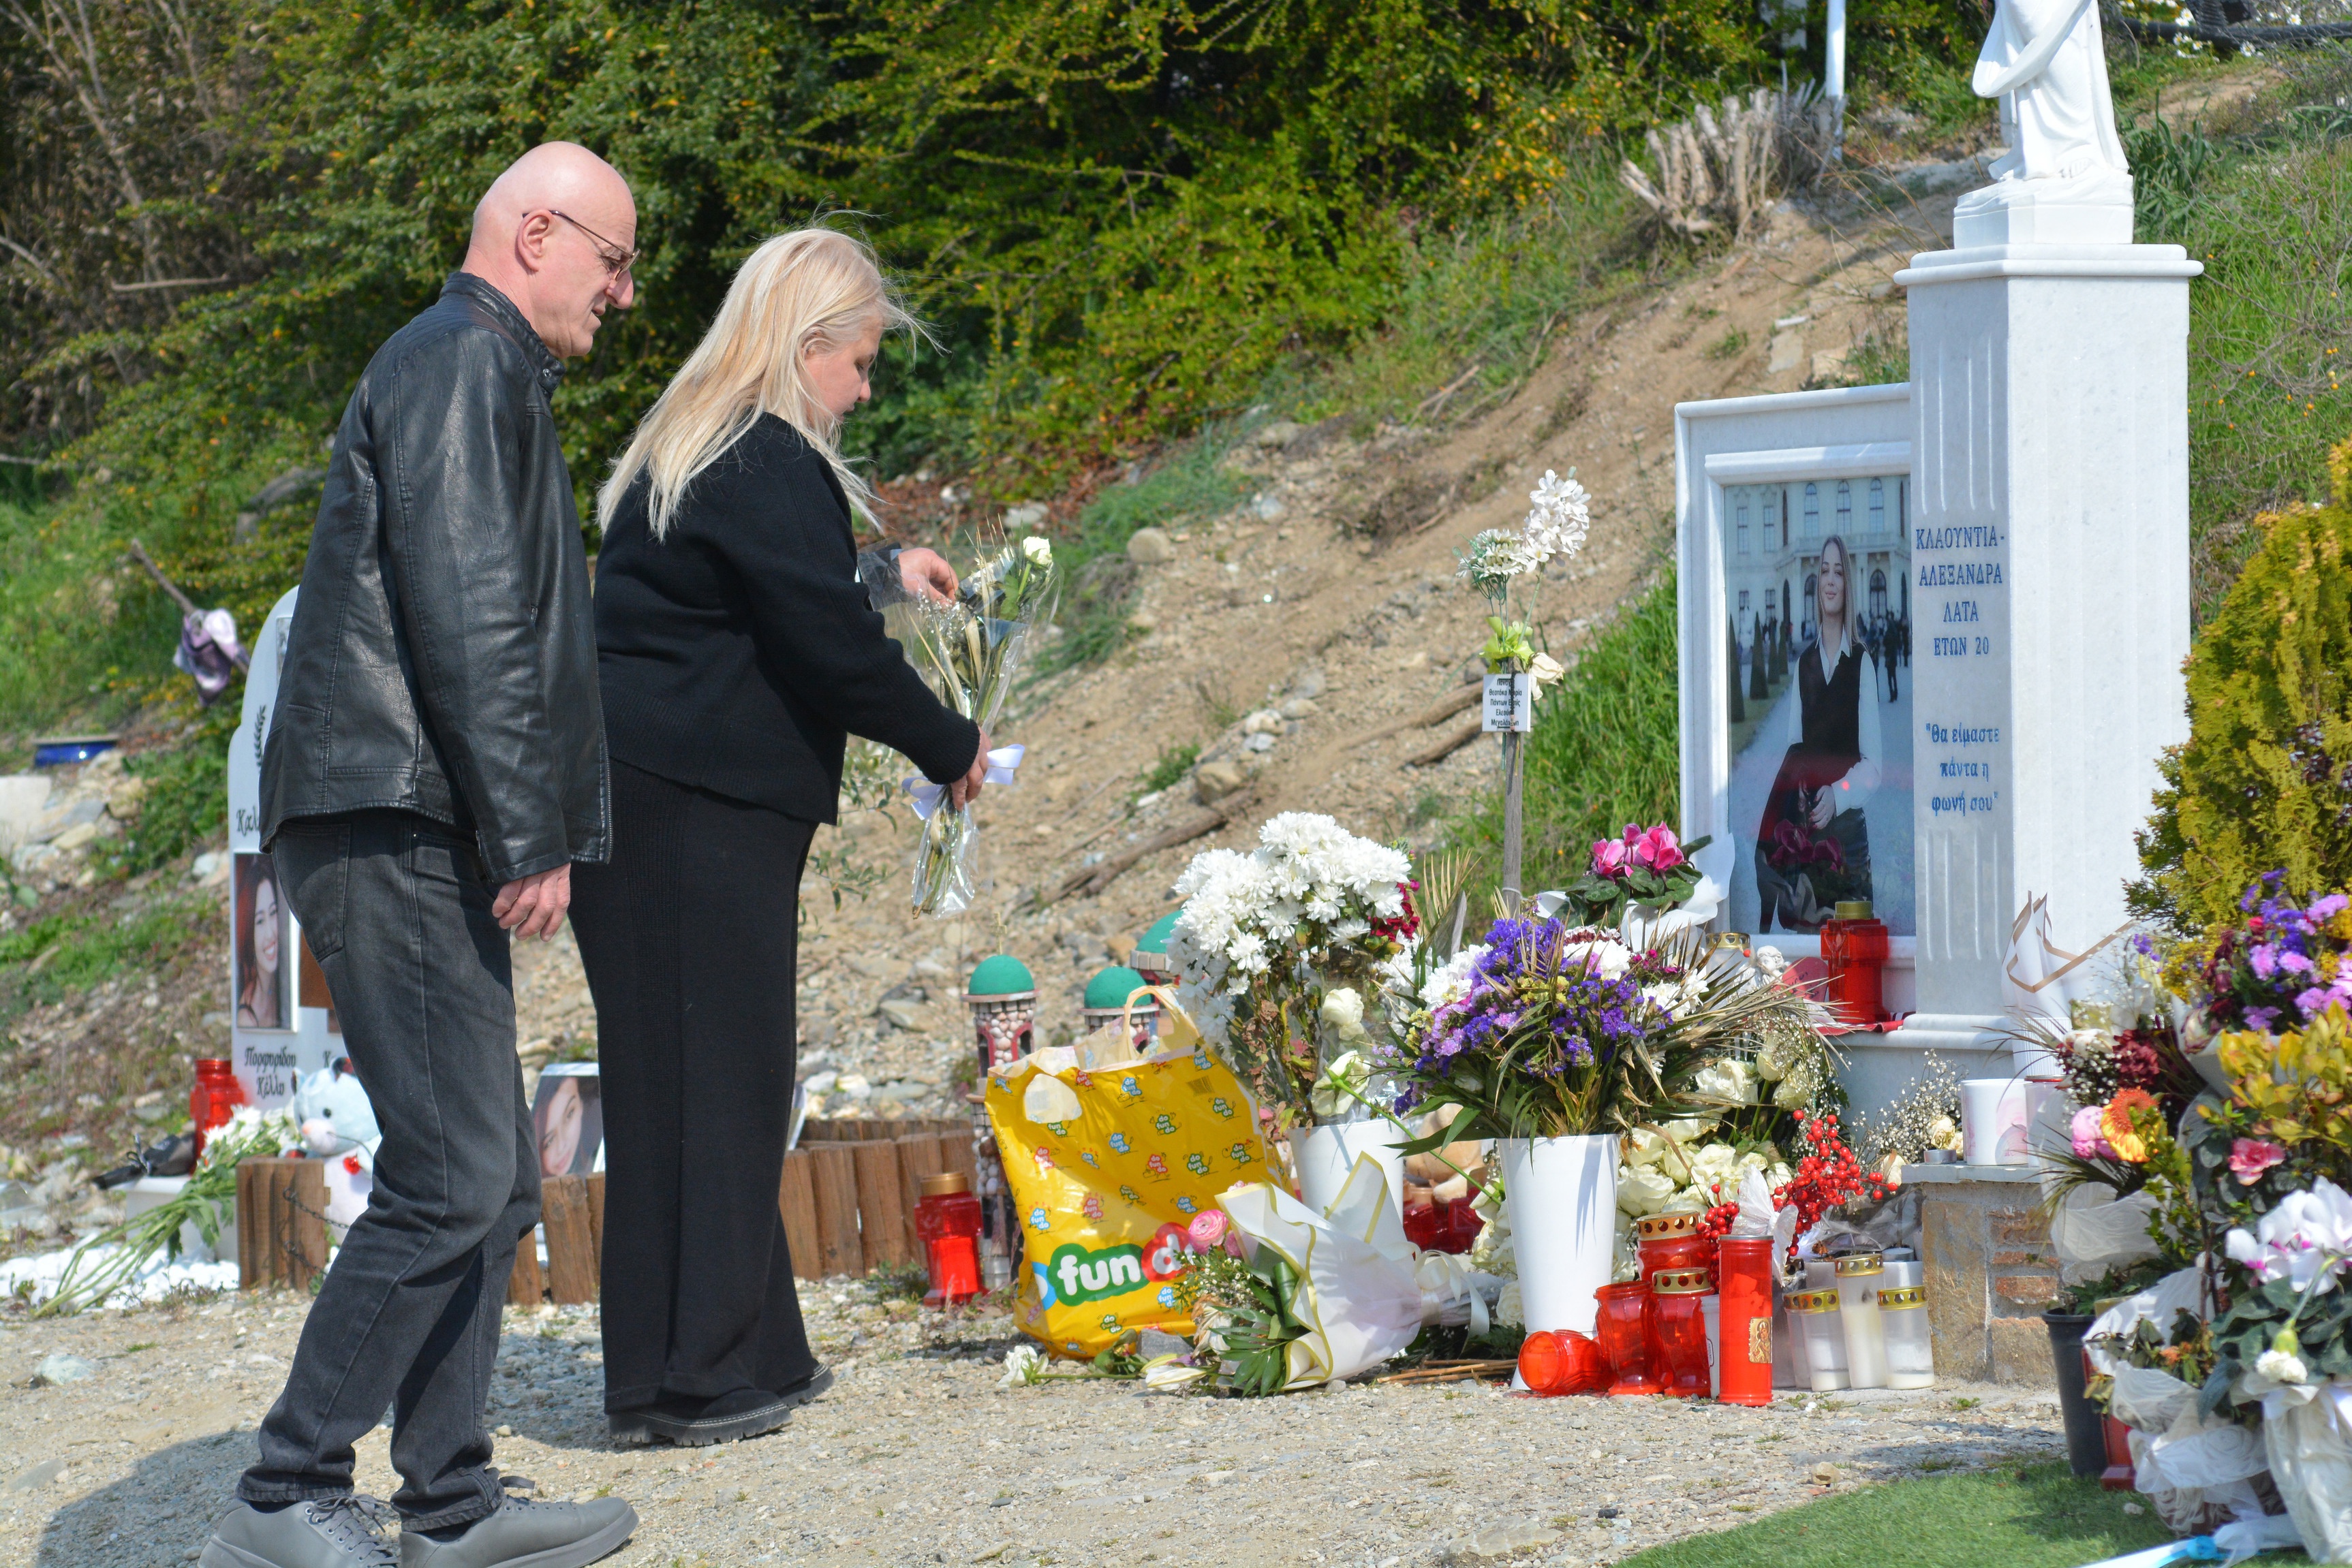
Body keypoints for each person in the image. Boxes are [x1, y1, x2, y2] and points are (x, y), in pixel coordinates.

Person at [204, 142, 640, 1568]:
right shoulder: (461, 360)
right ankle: (284, 1488)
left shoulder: (476, 363)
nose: (624, 293)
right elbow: (469, 611)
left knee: (492, 1178)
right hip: (392, 810)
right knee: (454, 1171)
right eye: (615, 260)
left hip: (405, 806)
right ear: (535, 235)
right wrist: (529, 828)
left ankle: (449, 1498)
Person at [570, 227, 987, 1449]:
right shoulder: (764, 456)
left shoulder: (701, 443)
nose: (862, 391)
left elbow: (762, 599)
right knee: (717, 1081)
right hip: (692, 806)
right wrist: (947, 740)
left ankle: (733, 1349)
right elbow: (821, 647)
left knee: (695, 1077)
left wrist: (881, 570)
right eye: (858, 364)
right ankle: (691, 1376)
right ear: (807, 347)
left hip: (650, 799)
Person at [1752, 535, 1885, 932]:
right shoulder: (1804, 665)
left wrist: (1838, 794)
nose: (1830, 580)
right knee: (1808, 952)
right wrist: (1799, 793)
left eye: (1838, 572)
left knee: (1852, 950)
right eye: (1824, 571)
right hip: (1808, 845)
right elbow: (1796, 748)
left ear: (1847, 585)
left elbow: (1874, 764)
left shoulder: (1861, 663)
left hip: (1848, 844)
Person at [236, 860, 283, 1030]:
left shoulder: (282, 991)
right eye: (260, 921)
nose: (270, 934)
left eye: (273, 912)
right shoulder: (247, 1019)